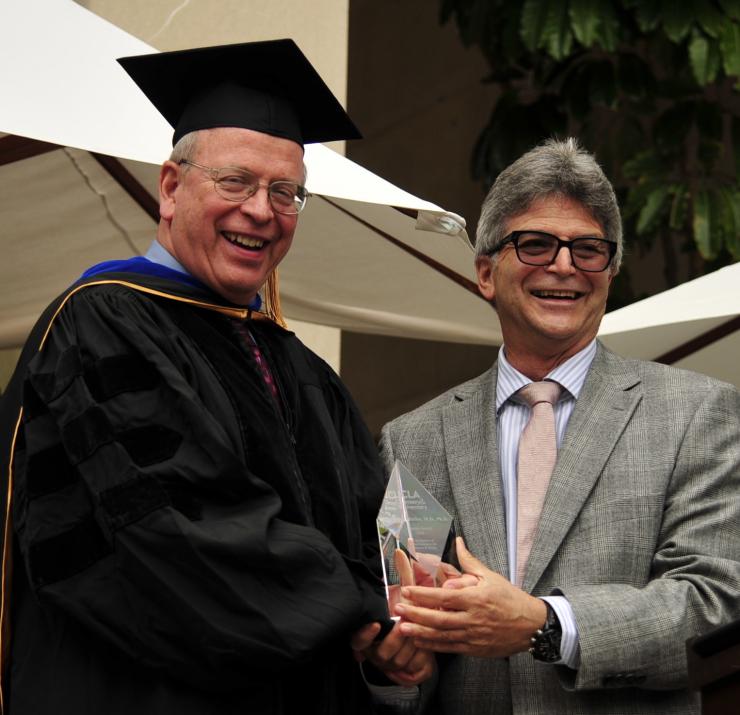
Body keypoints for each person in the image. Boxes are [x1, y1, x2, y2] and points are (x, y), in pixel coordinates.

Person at [0, 40, 430, 714]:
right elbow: (183, 529)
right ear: (171, 187)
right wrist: (366, 610)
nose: (262, 210)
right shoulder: (103, 325)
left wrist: (421, 608)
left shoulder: (305, 371)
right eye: (236, 181)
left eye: (286, 192)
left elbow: (387, 518)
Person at [379, 138, 740, 714]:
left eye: (589, 249)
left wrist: (547, 624)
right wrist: (395, 662)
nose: (565, 265)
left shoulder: (699, 414)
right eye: (535, 244)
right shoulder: (411, 441)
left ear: (610, 271)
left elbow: (716, 607)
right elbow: (402, 626)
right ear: (485, 273)